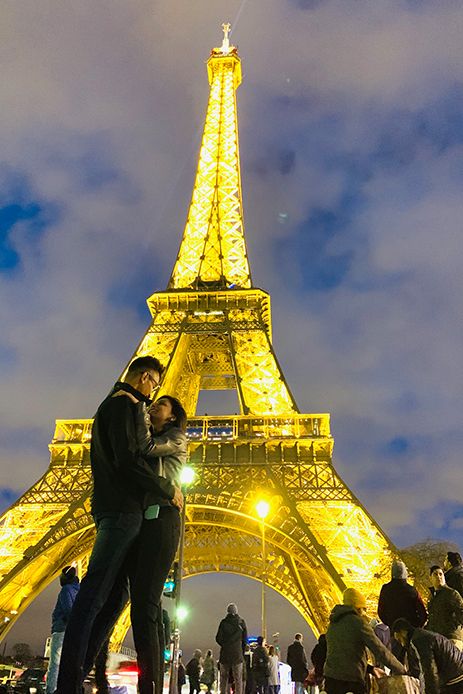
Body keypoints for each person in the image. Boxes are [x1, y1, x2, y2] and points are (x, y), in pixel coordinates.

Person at [55, 356, 184, 694]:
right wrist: (167, 488)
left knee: (113, 599)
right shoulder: (124, 406)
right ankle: (71, 680)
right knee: (97, 597)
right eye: (155, 386)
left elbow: (131, 455)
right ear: (144, 378)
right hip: (124, 511)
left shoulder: (119, 408)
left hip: (125, 512)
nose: (154, 394)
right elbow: (130, 458)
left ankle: (76, 675)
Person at [127, 394, 188, 694]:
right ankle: (146, 681)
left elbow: (147, 447)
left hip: (163, 517)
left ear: (174, 416)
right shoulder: (153, 436)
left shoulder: (176, 438)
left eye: (160, 404)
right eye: (153, 404)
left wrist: (137, 407)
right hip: (147, 520)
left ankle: (150, 684)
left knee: (147, 603)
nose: (154, 406)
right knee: (140, 604)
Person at [323, 587, 407, 694]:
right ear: (358, 607)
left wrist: (371, 669)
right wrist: (401, 669)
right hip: (351, 681)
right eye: (364, 608)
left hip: (331, 680)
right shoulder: (359, 623)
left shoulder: (333, 624)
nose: (365, 613)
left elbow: (343, 655)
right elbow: (380, 651)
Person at [393, 617, 463, 694]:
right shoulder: (421, 635)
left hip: (453, 677)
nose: (402, 644)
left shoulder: (418, 640)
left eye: (399, 640)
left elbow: (429, 671)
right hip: (456, 672)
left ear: (403, 632)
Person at [46, 566, 80, 694]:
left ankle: (51, 690)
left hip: (61, 630)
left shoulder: (66, 590)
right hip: (73, 632)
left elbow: (68, 610)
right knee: (69, 664)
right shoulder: (79, 590)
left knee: (55, 664)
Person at [427, 566, 463, 649]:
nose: (439, 576)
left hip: (452, 638)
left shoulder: (451, 593)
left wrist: (454, 626)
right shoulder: (432, 597)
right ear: (430, 578)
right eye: (435, 574)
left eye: (441, 574)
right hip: (438, 638)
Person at [216, 603, 248, 694]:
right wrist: (240, 650)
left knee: (223, 678)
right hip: (237, 654)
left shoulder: (223, 622)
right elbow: (245, 640)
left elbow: (218, 638)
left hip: (225, 654)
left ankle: (223, 692)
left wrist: (225, 645)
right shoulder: (241, 622)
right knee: (238, 679)